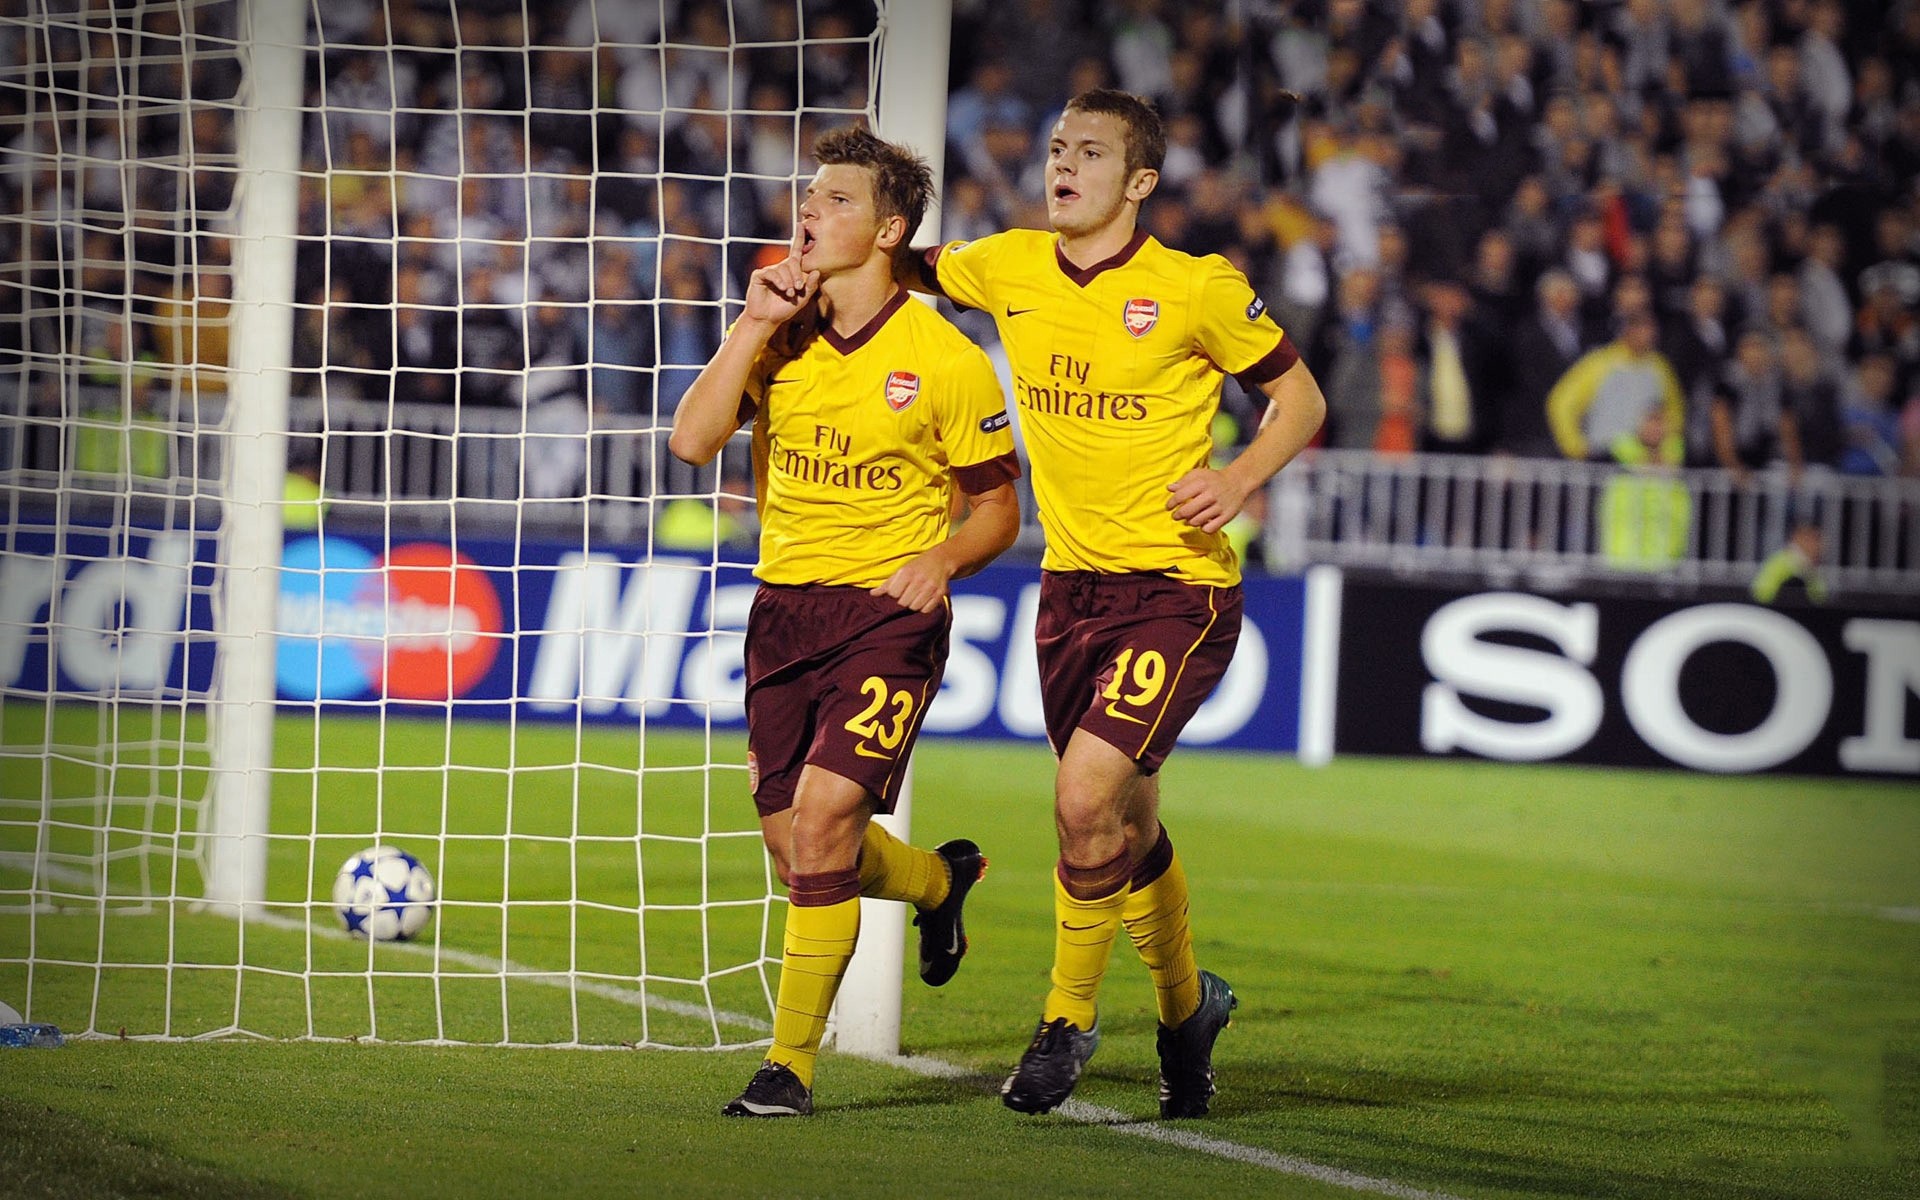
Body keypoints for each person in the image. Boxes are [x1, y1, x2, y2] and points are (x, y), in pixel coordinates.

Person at [913, 89, 1327, 1119]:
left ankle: (1065, 1020)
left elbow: (1302, 399)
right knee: (1126, 823)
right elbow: (898, 262)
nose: (1063, 164)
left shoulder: (1196, 290)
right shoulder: (1005, 264)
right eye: (1057, 147)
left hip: (1177, 593)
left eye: (1089, 152)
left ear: (1139, 182)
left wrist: (1238, 482)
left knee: (1084, 800)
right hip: (1070, 596)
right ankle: (1189, 1013)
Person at [668, 126, 1022, 1118]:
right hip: (782, 612)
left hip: (886, 618)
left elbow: (1000, 507)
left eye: (834, 201)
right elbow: (692, 442)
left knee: (825, 822)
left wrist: (943, 558)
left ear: (890, 228)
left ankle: (789, 1066)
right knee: (797, 849)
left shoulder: (945, 358)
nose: (809, 214)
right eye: (808, 199)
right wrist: (747, 325)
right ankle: (939, 885)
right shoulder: (780, 330)